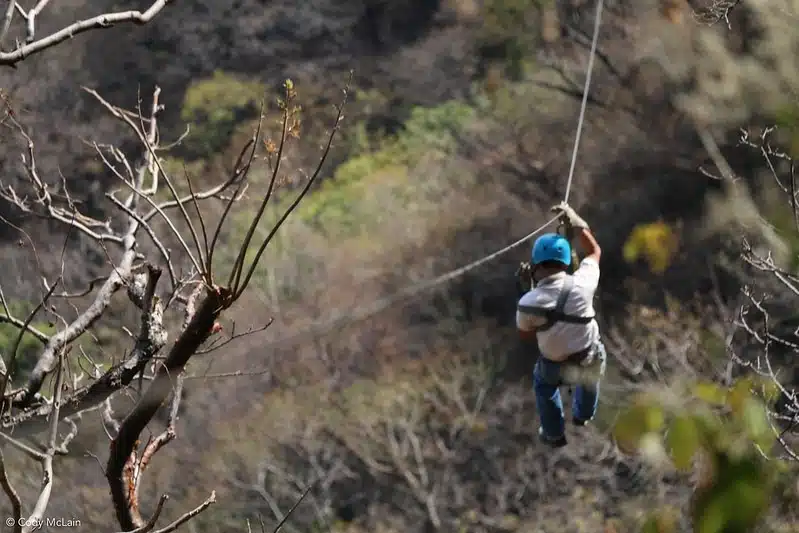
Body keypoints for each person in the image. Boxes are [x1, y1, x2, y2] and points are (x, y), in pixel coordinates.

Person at [515, 202, 606, 448]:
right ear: (566, 263)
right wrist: (578, 226)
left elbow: (526, 336)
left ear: (535, 265)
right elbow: (594, 252)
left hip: (553, 365)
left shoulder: (528, 303)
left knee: (544, 386)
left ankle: (554, 433)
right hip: (586, 357)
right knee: (593, 369)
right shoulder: (583, 283)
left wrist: (527, 292)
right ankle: (583, 414)